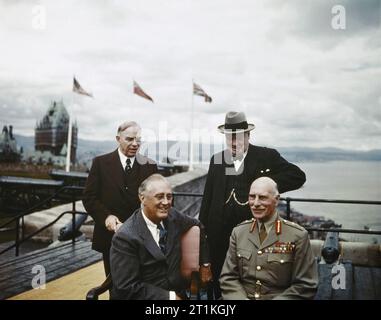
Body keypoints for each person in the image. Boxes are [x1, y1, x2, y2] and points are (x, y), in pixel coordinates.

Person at [199, 111, 306, 298]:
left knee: (251, 288)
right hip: (219, 243)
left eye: (239, 137)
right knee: (219, 292)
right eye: (230, 137)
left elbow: (297, 176)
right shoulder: (217, 160)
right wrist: (204, 258)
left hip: (253, 240)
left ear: (248, 135)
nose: (234, 143)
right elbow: (206, 206)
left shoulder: (266, 156)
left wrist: (264, 184)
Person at [110, 174, 212, 300]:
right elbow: (126, 287)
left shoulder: (173, 216)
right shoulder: (125, 237)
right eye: (159, 197)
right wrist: (170, 297)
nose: (166, 202)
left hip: (179, 293)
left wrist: (205, 264)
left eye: (169, 197)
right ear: (142, 198)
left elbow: (198, 225)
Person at [220, 177, 318, 300]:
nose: (255, 203)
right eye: (252, 196)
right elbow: (228, 277)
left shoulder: (297, 235)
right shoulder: (239, 232)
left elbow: (305, 285)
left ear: (276, 200)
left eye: (262, 197)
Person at [82, 121, 157, 276]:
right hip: (110, 238)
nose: (135, 144)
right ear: (118, 139)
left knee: (141, 285)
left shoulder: (150, 166)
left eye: (138, 140)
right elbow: (89, 197)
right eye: (130, 139)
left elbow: (157, 199)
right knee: (115, 287)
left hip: (142, 239)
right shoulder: (100, 163)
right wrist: (106, 217)